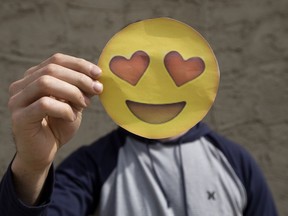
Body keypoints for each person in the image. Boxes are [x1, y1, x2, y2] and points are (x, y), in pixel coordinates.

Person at [0, 53, 278, 216]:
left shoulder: (236, 163)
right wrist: (32, 166)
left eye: (170, 74)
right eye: (137, 74)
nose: (154, 86)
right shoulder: (93, 166)